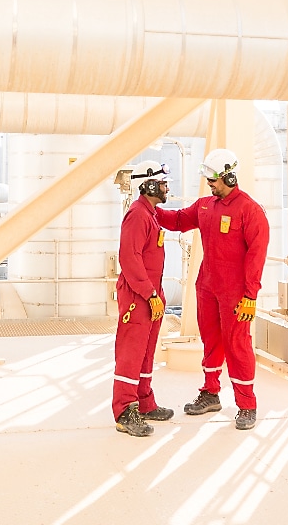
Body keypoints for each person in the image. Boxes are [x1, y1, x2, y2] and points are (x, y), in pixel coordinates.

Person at [156, 148, 270, 431]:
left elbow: (257, 257)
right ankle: (210, 393)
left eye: (214, 180)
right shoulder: (205, 205)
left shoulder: (250, 211)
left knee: (237, 346)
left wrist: (250, 297)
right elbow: (179, 220)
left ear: (230, 177)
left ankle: (247, 405)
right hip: (206, 287)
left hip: (236, 294)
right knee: (210, 341)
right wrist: (150, 208)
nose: (210, 184)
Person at [112, 161, 175, 437]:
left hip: (151, 293)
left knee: (147, 351)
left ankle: (145, 402)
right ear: (148, 184)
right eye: (162, 183)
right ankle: (126, 411)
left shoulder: (152, 214)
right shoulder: (138, 215)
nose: (166, 187)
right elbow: (129, 258)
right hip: (139, 295)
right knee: (131, 353)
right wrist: (149, 294)